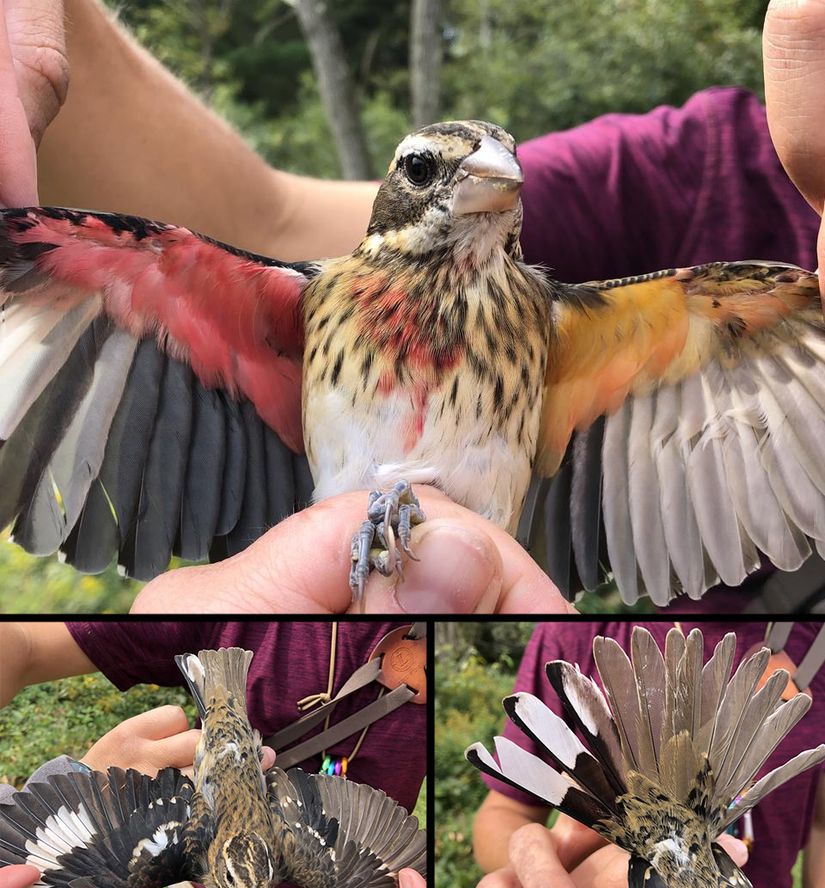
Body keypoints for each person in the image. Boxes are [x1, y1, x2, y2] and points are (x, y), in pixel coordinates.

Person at [2, 0, 825, 614]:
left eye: (497, 172)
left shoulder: (593, 323)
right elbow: (260, 222)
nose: (482, 181)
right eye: (432, 172)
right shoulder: (299, 302)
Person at [0, 621, 428, 888]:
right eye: (251, 886)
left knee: (114, 870)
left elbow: (74, 850)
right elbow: (31, 642)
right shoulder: (241, 609)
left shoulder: (169, 854)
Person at [472, 622, 825, 888]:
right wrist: (541, 875)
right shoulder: (571, 632)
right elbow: (505, 810)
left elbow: (823, 824)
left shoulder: (816, 640)